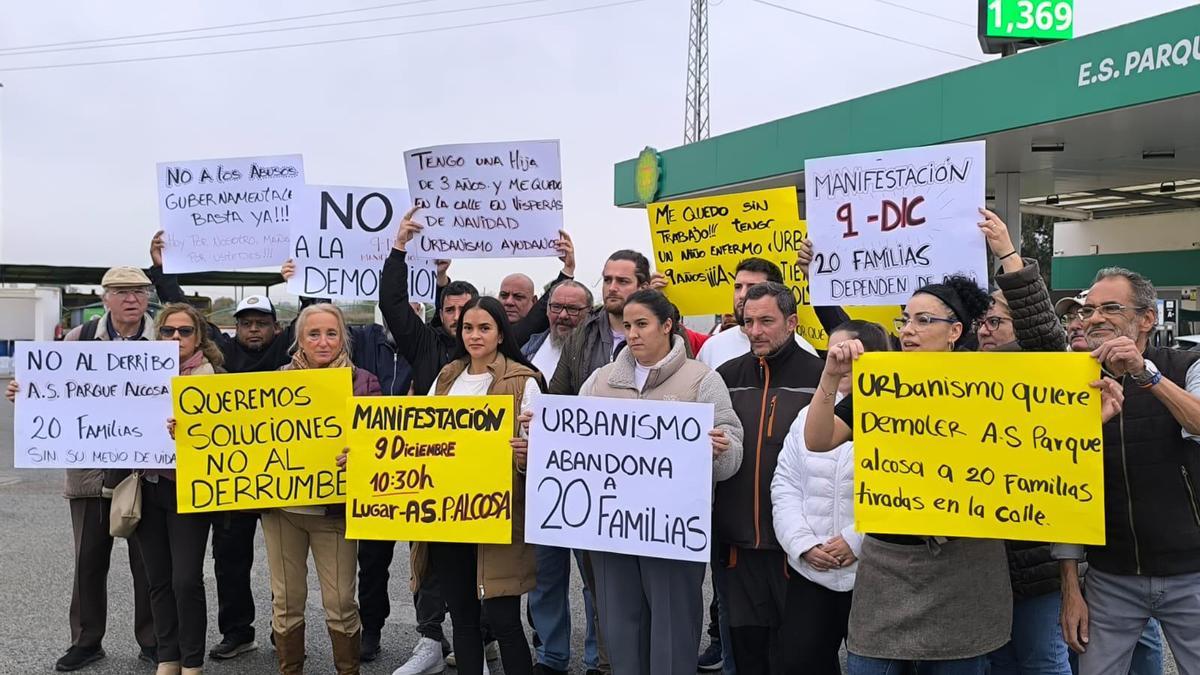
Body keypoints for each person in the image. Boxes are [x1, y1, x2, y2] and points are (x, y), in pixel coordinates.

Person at [806, 271, 1126, 674]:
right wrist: (831, 376)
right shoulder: (880, 384)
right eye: (904, 320)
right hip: (887, 572)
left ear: (955, 330)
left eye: (924, 321)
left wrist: (1083, 425)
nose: (909, 331)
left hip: (966, 574)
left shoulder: (990, 383)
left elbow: (1033, 449)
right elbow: (819, 440)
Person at [578, 289, 744, 675]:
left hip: (672, 532)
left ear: (668, 326)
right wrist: (541, 434)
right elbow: (574, 445)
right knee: (620, 631)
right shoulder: (600, 381)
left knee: (672, 634)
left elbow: (732, 450)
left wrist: (720, 450)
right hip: (612, 531)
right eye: (627, 325)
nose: (632, 333)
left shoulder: (702, 379)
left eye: (642, 324)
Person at [151, 232, 299, 660]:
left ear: (276, 327)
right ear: (235, 326)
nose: (254, 329)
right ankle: (238, 630)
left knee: (282, 563)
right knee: (229, 559)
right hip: (229, 477)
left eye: (262, 322)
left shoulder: (287, 356)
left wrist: (302, 276)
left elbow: (311, 312)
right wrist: (162, 270)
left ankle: (281, 630)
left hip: (279, 474)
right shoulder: (225, 353)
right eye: (247, 322)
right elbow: (184, 316)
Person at [7, 265, 158, 672]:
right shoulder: (80, 339)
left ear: (148, 298)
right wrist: (27, 392)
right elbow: (51, 387)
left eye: (139, 291)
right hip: (90, 470)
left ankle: (152, 639)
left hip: (146, 471)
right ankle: (87, 640)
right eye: (122, 291)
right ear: (104, 298)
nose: (131, 299)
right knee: (89, 558)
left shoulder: (163, 339)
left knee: (148, 562)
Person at [1055, 267, 1200, 675]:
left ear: (1147, 319)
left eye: (1110, 308)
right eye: (1089, 309)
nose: (1094, 317)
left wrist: (1145, 375)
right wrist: (1070, 584)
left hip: (1191, 573)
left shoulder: (1186, 365)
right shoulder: (1071, 382)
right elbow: (1062, 486)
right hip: (1110, 577)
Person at [410, 296, 544, 675]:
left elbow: (538, 454)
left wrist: (525, 456)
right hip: (450, 520)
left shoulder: (523, 382)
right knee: (464, 621)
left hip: (499, 520)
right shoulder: (447, 376)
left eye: (484, 328)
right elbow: (420, 439)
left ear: (501, 333)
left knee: (504, 622)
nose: (474, 335)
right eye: (468, 327)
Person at [972, 209, 1076, 675]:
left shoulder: (1044, 368)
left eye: (995, 321)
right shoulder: (960, 375)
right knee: (993, 661)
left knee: (1039, 661)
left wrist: (1009, 256)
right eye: (981, 323)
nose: (984, 330)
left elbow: (1046, 338)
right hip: (981, 560)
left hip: (1034, 556)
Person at [713, 281, 825, 673]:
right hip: (738, 549)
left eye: (766, 321)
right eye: (748, 322)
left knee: (803, 659)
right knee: (749, 658)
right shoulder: (724, 376)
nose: (755, 331)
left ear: (792, 322)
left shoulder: (820, 377)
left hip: (800, 548)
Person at [263, 304, 381, 674]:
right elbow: (247, 438)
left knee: (341, 602)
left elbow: (380, 444)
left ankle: (348, 669)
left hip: (335, 512)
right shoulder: (272, 383)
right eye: (313, 334)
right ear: (299, 338)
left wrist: (359, 454)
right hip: (284, 511)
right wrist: (188, 429)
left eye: (331, 333)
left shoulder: (364, 382)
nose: (323, 341)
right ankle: (290, 669)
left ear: (343, 337)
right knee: (286, 601)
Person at [772, 320, 890, 674]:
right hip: (812, 570)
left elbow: (903, 491)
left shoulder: (897, 415)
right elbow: (785, 485)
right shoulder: (809, 417)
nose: (836, 361)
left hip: (872, 573)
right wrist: (803, 544)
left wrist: (857, 541)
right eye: (830, 353)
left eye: (845, 353)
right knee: (799, 661)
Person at [129, 304, 222, 675]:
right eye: (168, 331)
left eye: (185, 332)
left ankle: (193, 660)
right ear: (159, 334)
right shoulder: (136, 373)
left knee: (185, 579)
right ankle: (168, 657)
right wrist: (30, 393)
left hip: (188, 490)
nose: (176, 338)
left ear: (199, 337)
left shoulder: (209, 377)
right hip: (147, 487)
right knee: (158, 580)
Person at [520, 279, 606, 675]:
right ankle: (551, 656)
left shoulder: (596, 349)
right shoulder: (526, 349)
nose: (564, 316)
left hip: (593, 482)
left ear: (589, 313)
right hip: (544, 479)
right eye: (557, 307)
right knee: (546, 577)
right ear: (546, 308)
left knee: (595, 581)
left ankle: (597, 658)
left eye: (574, 309)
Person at [696, 257, 817, 370]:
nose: (742, 294)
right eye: (738, 287)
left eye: (753, 287)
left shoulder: (803, 351)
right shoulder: (711, 348)